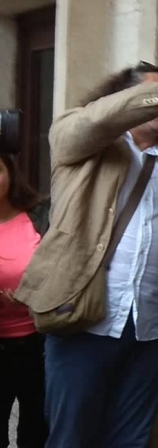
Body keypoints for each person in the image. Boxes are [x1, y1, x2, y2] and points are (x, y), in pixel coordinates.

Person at [14, 39, 158, 448]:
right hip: (83, 321)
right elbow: (98, 120)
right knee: (71, 439)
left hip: (151, 329)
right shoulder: (81, 145)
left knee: (132, 440)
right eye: (152, 94)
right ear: (122, 98)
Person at [0, 153, 49, 448]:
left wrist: (34, 297)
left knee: (36, 431)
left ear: (10, 172)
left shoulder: (41, 216)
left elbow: (62, 272)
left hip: (39, 343)